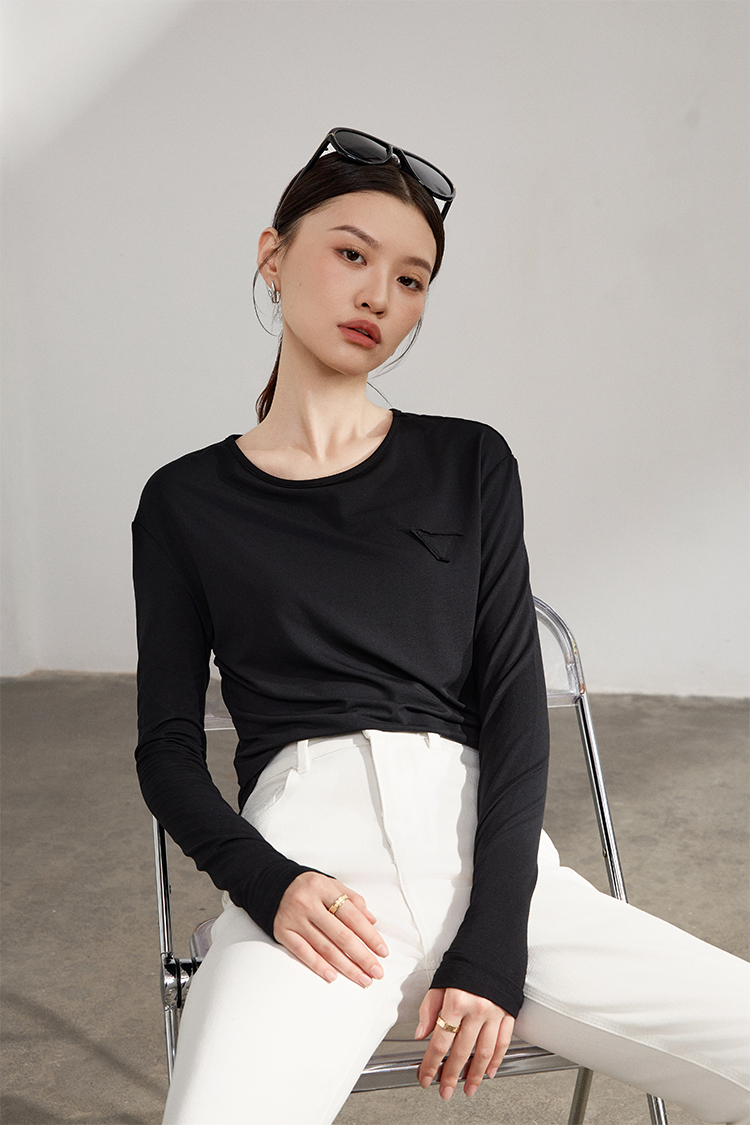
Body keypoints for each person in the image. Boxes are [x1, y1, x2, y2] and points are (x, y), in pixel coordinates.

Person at [133, 129, 750, 1125]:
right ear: (273, 256)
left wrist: (496, 942)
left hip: (497, 875)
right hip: (312, 889)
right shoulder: (186, 501)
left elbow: (514, 709)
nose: (380, 295)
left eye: (412, 278)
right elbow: (165, 748)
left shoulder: (470, 463)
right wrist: (269, 883)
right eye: (352, 253)